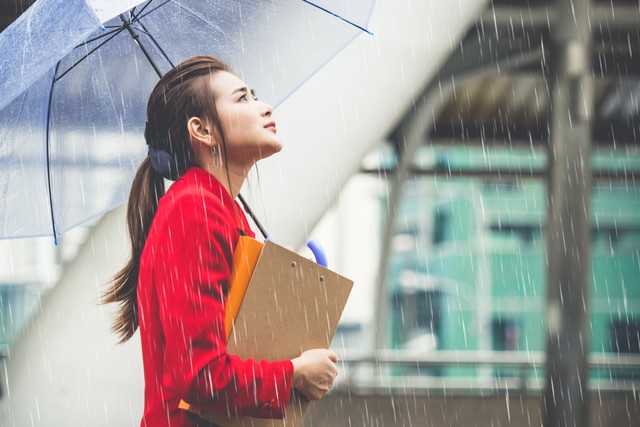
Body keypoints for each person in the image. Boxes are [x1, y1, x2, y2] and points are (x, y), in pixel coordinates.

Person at [102, 55, 338, 427]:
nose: (264, 106)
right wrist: (294, 373)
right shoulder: (194, 210)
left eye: (254, 95)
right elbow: (199, 376)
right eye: (242, 99)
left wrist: (278, 281)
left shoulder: (218, 209)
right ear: (203, 131)